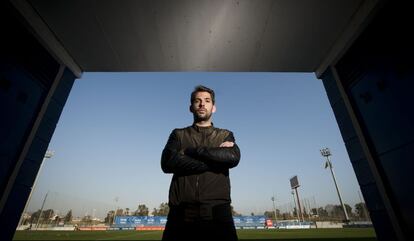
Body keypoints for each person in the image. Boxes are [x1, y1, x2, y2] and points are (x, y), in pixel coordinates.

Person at [161, 85, 241, 240]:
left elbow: (233, 157)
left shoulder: (225, 134)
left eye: (207, 100)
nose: (202, 104)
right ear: (191, 107)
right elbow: (167, 163)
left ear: (214, 107)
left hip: (218, 213)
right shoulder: (178, 134)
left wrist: (191, 151)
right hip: (181, 213)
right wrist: (215, 161)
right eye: (197, 101)